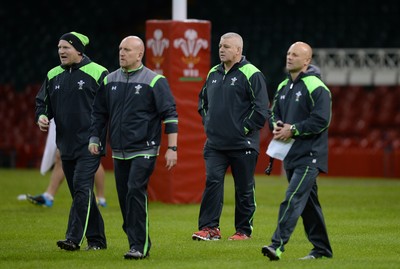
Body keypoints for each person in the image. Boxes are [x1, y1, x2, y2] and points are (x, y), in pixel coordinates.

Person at [89, 35, 178, 259]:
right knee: (124, 196)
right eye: (120, 49)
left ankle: (139, 246)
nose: (121, 53)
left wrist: (172, 148)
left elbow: (170, 115)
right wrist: (94, 138)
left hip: (145, 148)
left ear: (140, 54)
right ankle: (135, 237)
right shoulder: (109, 81)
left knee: (135, 190)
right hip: (119, 150)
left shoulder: (155, 81)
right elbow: (99, 113)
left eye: (127, 50)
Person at [192, 32, 269, 241]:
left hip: (242, 143)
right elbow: (202, 102)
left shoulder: (252, 73)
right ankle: (209, 228)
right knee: (212, 182)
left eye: (226, 46)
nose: (221, 49)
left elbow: (262, 109)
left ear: (238, 50)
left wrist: (243, 129)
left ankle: (243, 231)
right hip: (215, 144)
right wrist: (209, 123)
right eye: (220, 46)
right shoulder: (213, 73)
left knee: (243, 189)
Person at [35, 31, 108, 251]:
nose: (61, 51)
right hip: (65, 145)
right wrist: (42, 116)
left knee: (81, 189)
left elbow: (110, 107)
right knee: (81, 193)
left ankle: (72, 239)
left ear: (78, 50)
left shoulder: (99, 72)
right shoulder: (52, 75)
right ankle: (97, 240)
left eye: (65, 47)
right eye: (59, 48)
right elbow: (42, 103)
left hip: (91, 144)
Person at [261, 41, 333, 261]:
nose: (289, 57)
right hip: (291, 155)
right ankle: (322, 249)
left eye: (295, 54)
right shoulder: (283, 86)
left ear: (307, 61)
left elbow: (322, 120)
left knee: (292, 198)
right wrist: (277, 125)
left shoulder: (316, 86)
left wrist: (293, 130)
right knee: (309, 205)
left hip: (309, 155)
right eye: (288, 53)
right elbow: (274, 113)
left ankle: (277, 245)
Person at [27, 120, 107, 208]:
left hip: (85, 121)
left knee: (91, 156)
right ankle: (49, 195)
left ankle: (100, 198)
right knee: (61, 156)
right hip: (69, 122)